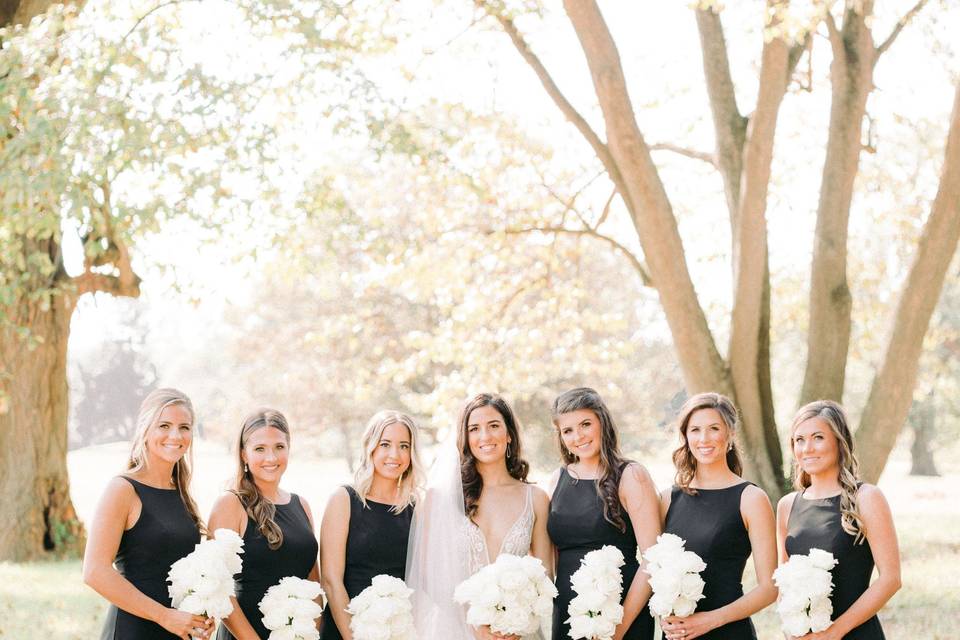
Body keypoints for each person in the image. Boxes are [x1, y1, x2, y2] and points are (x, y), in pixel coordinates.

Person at [407, 393, 552, 640]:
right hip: (456, 628)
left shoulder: (535, 498)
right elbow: (427, 573)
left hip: (517, 631)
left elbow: (545, 574)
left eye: (494, 426)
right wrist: (472, 623)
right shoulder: (441, 498)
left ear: (509, 435)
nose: (485, 436)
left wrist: (518, 619)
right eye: (474, 429)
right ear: (466, 438)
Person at [83, 388, 213, 640]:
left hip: (177, 631)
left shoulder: (181, 493)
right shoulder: (123, 489)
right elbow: (95, 571)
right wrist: (164, 616)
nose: (175, 435)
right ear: (145, 428)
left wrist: (202, 613)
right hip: (135, 630)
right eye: (164, 425)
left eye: (184, 427)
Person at [776, 400, 900, 640]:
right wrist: (791, 630)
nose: (807, 448)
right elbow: (783, 584)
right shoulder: (786, 505)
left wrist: (834, 633)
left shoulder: (866, 498)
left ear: (839, 441)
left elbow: (891, 579)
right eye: (799, 440)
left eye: (818, 437)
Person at [659, 393, 777, 640]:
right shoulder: (668, 498)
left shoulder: (751, 498)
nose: (704, 438)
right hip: (677, 635)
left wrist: (710, 621)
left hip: (728, 632)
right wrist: (662, 614)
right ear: (686, 436)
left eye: (714, 428)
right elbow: (654, 571)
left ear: (730, 434)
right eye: (695, 430)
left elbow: (769, 588)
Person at [547, 387, 659, 640]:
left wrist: (617, 629)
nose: (578, 436)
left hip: (621, 616)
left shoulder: (631, 475)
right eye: (568, 430)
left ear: (602, 422)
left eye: (585, 424)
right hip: (569, 614)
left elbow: (653, 559)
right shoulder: (557, 479)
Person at [209, 409, 319, 639]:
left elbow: (313, 582)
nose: (271, 458)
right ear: (243, 454)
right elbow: (218, 587)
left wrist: (310, 634)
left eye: (279, 447)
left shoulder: (302, 505)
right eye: (260, 449)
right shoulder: (230, 504)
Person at [319, 410, 424, 640]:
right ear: (371, 447)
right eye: (385, 444)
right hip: (345, 630)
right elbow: (330, 580)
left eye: (404, 446)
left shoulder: (415, 508)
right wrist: (353, 636)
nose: (394, 454)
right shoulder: (344, 499)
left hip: (399, 632)